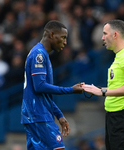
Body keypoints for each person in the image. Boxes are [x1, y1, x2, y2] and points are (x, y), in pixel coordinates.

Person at [21, 20, 83, 150]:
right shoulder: (39, 55)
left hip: (34, 114)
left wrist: (58, 114)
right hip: (39, 115)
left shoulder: (42, 54)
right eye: (63, 38)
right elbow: (40, 86)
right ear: (52, 35)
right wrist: (71, 90)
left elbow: (42, 92)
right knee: (58, 148)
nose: (65, 42)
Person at [82, 20, 124, 150]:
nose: (102, 38)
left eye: (105, 34)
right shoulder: (118, 57)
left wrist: (102, 92)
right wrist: (96, 89)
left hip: (122, 115)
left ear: (115, 35)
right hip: (113, 115)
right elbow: (117, 87)